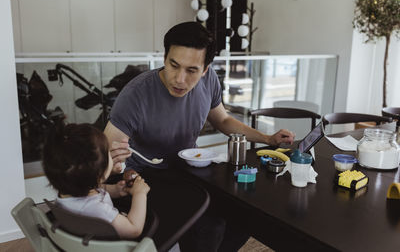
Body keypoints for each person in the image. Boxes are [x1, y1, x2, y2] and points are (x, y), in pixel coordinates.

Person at [104, 21, 295, 251]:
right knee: (207, 223)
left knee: (244, 213)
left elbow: (222, 120)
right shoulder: (136, 95)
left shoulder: (209, 81)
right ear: (165, 58)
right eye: (173, 65)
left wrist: (267, 139)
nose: (179, 79)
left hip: (187, 169)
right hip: (144, 175)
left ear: (205, 69)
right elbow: (104, 155)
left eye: (192, 70)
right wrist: (119, 166)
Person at [42, 123, 150, 239]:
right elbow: (133, 230)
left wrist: (115, 190)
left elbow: (92, 189)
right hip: (107, 241)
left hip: (82, 229)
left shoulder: (66, 191)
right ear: (100, 174)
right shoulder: (100, 210)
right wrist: (139, 194)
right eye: (108, 152)